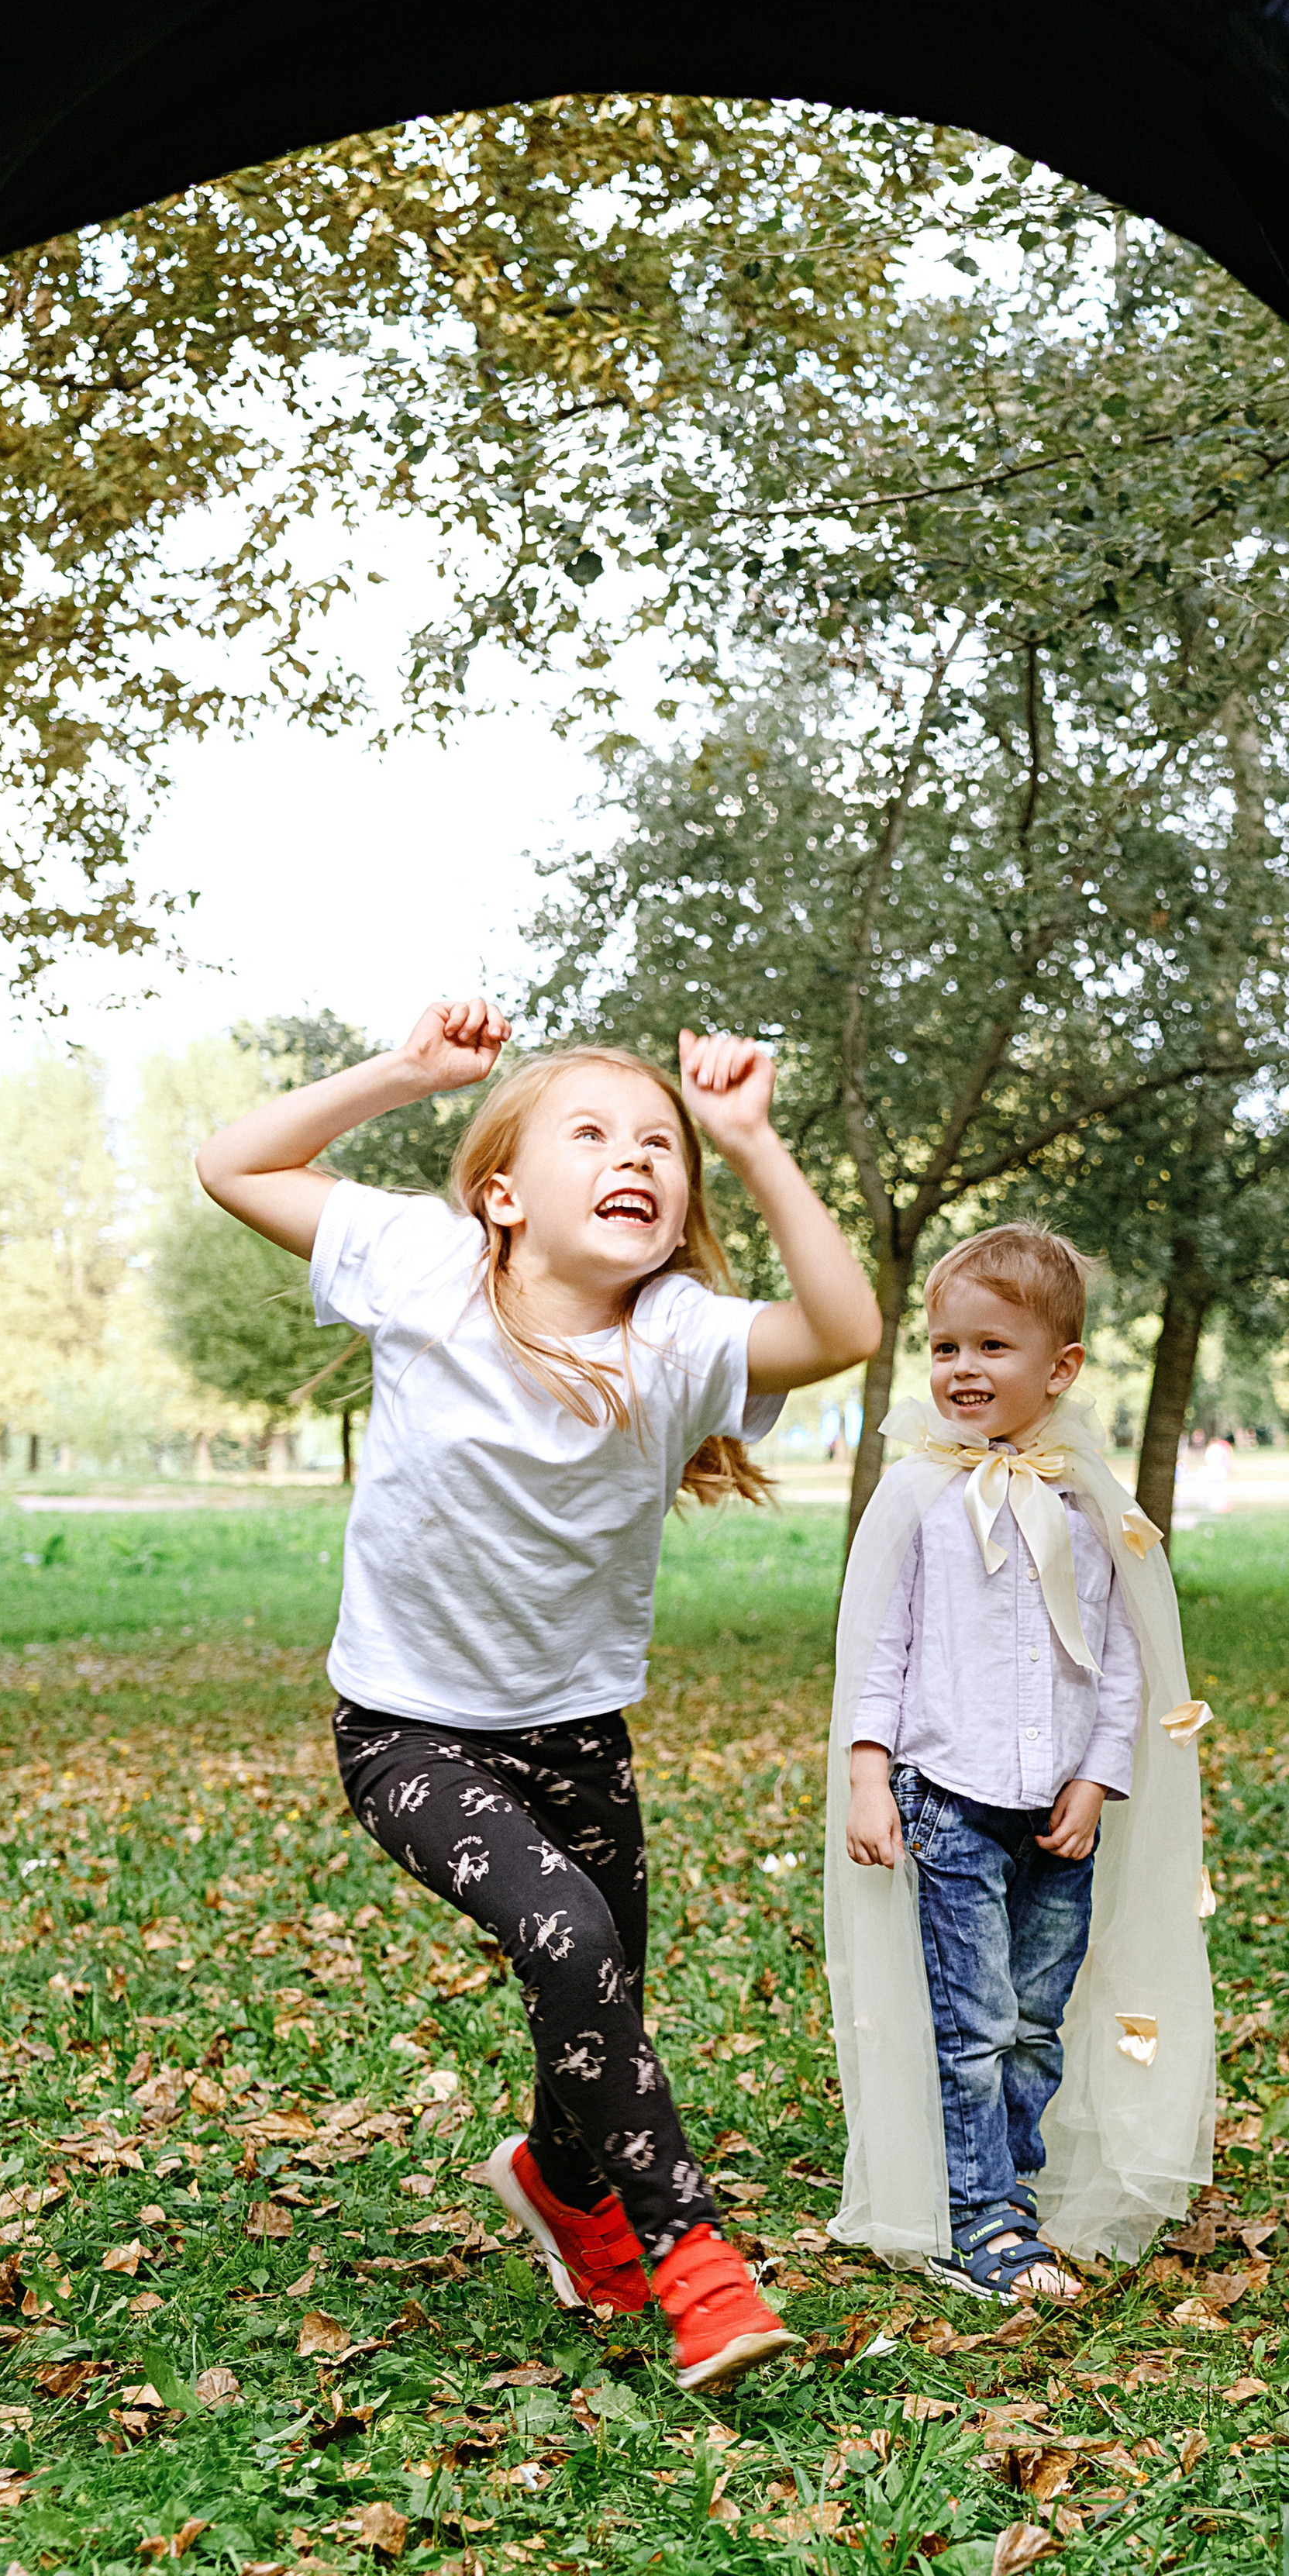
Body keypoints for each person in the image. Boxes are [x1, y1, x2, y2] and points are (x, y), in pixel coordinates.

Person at [196, 1001, 881, 2391]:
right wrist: (407, 1073)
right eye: (592, 1134)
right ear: (503, 1197)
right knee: (569, 1942)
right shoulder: (426, 1265)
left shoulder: (678, 1336)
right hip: (408, 1730)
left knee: (599, 1989)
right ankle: (693, 2259)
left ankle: (566, 2193)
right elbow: (232, 1164)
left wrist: (752, 1141)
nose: (637, 1157)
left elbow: (845, 1327)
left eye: (661, 1144)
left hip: (576, 1736)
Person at [830, 1226, 1215, 2301]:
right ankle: (984, 2222)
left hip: (1057, 1813)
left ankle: (1008, 2180)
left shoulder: (1090, 1503)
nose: (963, 1369)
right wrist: (868, 1774)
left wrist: (1096, 1777)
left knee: (1037, 2023)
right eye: (945, 1348)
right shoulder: (918, 1496)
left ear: (1060, 1367)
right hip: (947, 1800)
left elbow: (1123, 1661)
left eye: (992, 1347)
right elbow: (880, 1648)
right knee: (976, 2024)